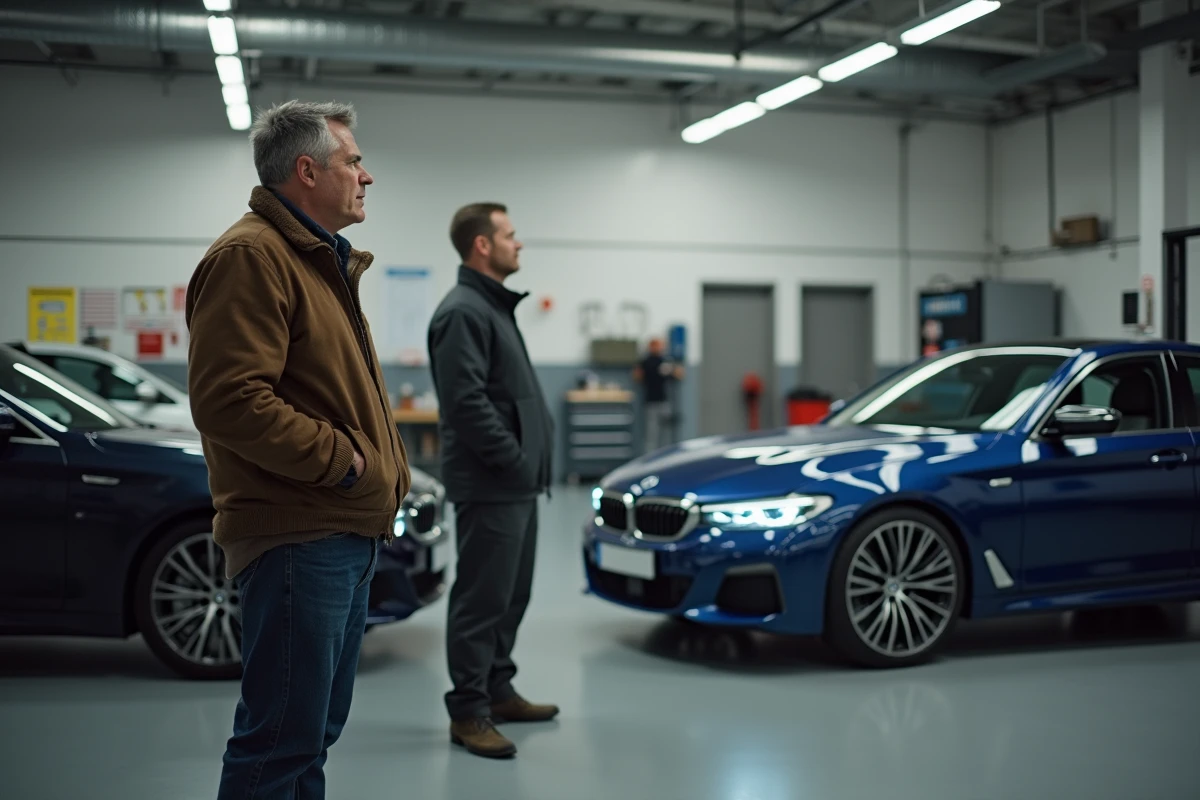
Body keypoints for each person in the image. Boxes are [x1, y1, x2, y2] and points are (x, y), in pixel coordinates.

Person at [186, 99, 411, 799]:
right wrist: (345, 463)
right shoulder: (253, 256)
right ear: (307, 171)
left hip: (338, 532)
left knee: (309, 739)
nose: (367, 176)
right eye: (354, 162)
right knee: (279, 746)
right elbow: (230, 400)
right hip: (299, 534)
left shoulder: (317, 262)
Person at [427, 202, 558, 759]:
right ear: (482, 245)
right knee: (482, 599)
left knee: (512, 595)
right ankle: (469, 712)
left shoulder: (493, 306)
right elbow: (466, 403)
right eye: (509, 234)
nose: (518, 243)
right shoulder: (463, 311)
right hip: (492, 483)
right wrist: (512, 459)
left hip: (515, 483)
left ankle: (498, 689)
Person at [633, 337, 683, 453]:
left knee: (666, 433)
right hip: (651, 401)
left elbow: (679, 375)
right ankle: (649, 459)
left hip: (664, 401)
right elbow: (637, 376)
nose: (660, 348)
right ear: (651, 347)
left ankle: (666, 456)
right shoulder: (645, 362)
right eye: (657, 345)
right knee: (651, 434)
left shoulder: (665, 361)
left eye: (661, 346)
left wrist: (675, 369)